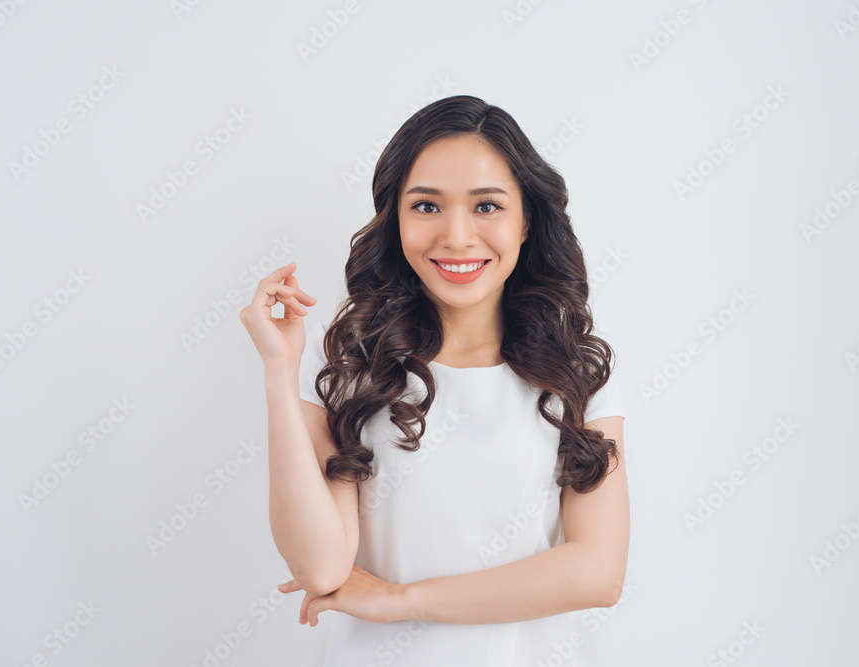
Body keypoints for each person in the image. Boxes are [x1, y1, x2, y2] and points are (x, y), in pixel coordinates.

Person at [239, 94, 629, 666]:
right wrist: (279, 370)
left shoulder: (577, 372)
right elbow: (321, 567)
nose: (457, 236)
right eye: (426, 207)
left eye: (487, 206)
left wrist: (402, 601)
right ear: (395, 220)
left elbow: (598, 572)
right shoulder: (352, 369)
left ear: (526, 222)